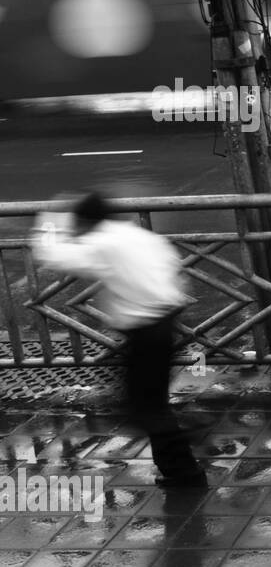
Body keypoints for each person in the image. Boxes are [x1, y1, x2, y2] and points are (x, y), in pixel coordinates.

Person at [31, 192, 206, 488]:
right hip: (165, 319)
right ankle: (180, 470)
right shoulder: (137, 235)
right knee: (151, 404)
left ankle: (192, 444)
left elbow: (53, 256)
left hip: (145, 329)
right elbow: (173, 267)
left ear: (86, 221)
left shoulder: (103, 242)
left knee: (144, 408)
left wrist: (50, 220)